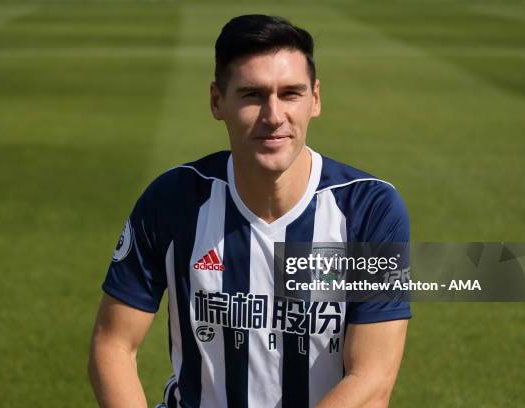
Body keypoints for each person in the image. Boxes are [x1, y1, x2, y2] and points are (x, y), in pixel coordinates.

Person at [88, 14, 410, 408]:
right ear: (217, 101)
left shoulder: (368, 210)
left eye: (291, 93)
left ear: (316, 99)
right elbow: (113, 344)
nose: (274, 116)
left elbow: (372, 380)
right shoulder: (174, 200)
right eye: (252, 95)